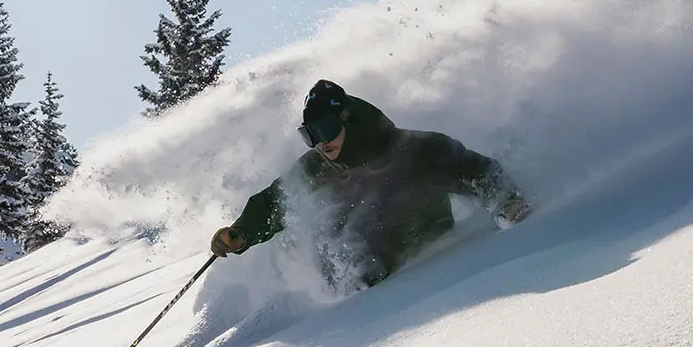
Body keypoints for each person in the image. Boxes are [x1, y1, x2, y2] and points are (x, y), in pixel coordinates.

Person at [210, 80, 531, 289]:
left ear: (348, 119)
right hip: (374, 265)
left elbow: (470, 168)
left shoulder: (410, 149)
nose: (320, 143)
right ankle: (354, 279)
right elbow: (277, 201)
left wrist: (505, 201)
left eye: (325, 128)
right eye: (310, 134)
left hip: (432, 249)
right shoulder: (318, 166)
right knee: (326, 231)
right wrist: (241, 234)